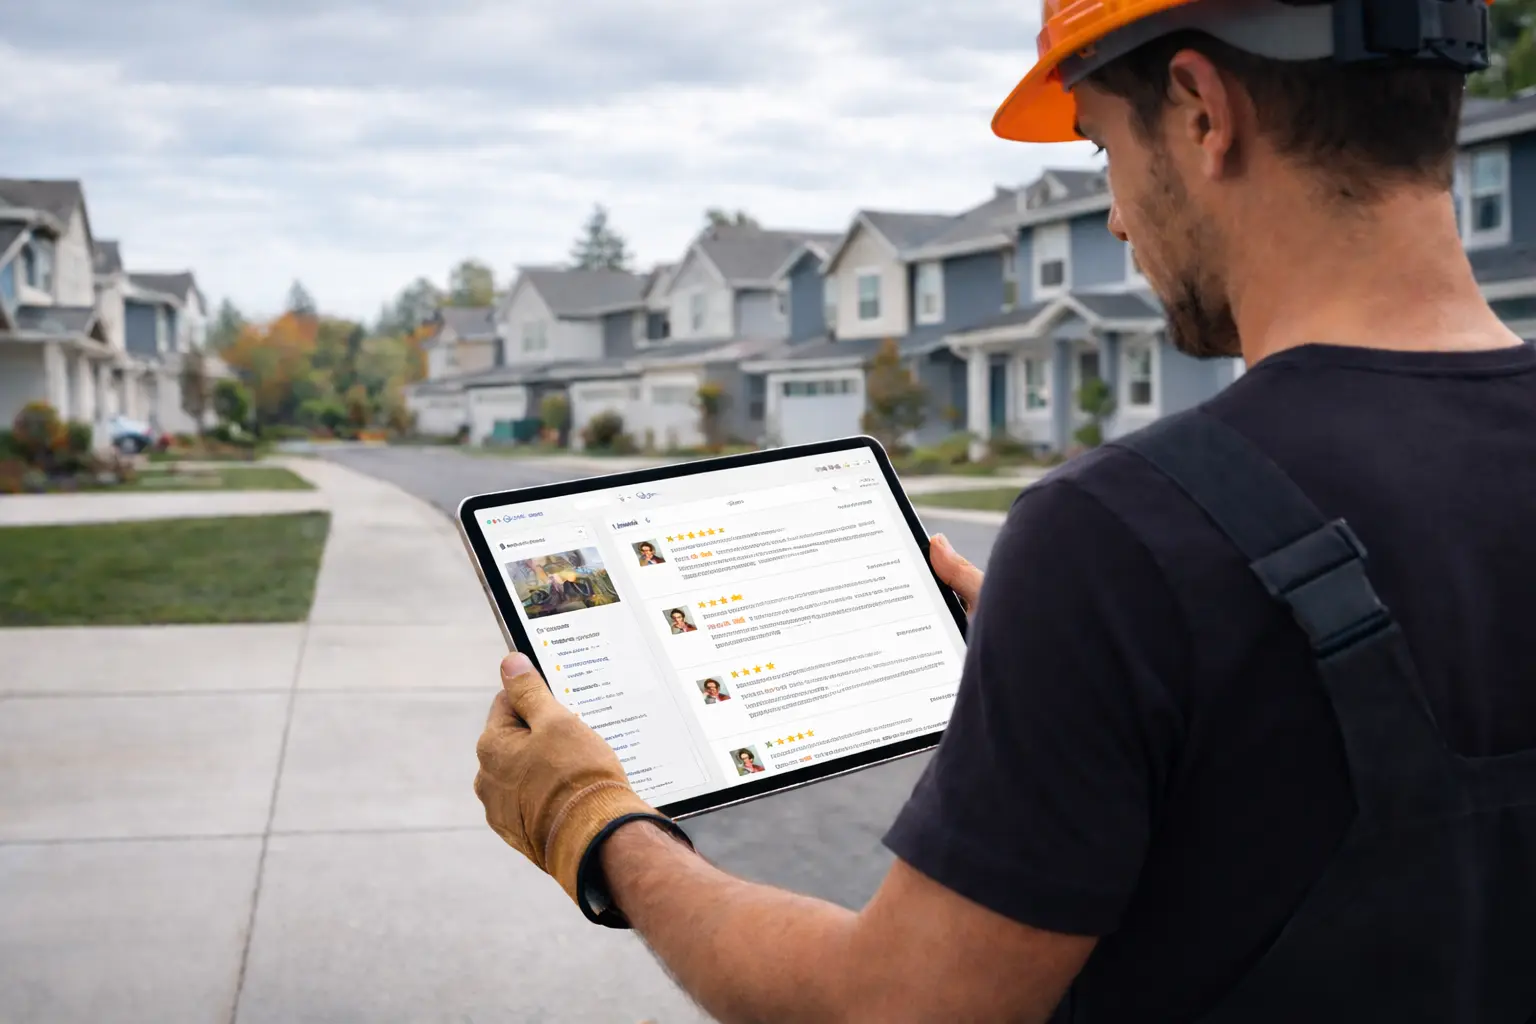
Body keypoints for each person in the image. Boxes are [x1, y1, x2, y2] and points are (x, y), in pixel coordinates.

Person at [473, 2, 1536, 1020]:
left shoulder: (1121, 536)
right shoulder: (1125, 571)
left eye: (1102, 147)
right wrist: (1086, 668)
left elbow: (893, 1008)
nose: (1115, 214)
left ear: (1201, 110)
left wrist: (598, 823)